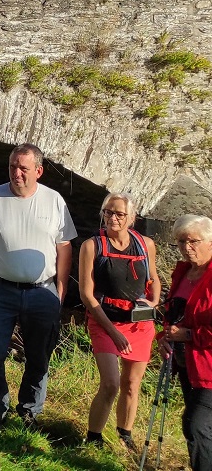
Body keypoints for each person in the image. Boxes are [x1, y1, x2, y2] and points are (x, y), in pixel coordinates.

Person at [0, 143, 76, 429]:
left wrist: (61, 289)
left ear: (38, 171)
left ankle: (29, 410)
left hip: (42, 291)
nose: (16, 173)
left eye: (23, 168)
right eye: (13, 167)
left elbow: (64, 247)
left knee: (39, 356)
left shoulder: (54, 202)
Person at [78, 192, 159, 449]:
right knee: (111, 383)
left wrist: (153, 302)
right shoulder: (92, 246)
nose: (113, 218)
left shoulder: (145, 244)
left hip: (139, 323)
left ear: (131, 218)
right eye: (108, 212)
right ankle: (93, 438)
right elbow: (86, 295)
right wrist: (113, 332)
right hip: (104, 321)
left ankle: (125, 435)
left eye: (119, 214)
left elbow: (153, 278)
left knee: (132, 384)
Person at [161, 214, 212, 471]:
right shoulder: (183, 272)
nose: (187, 247)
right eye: (181, 241)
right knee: (194, 426)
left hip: (209, 367)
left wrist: (189, 335)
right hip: (186, 364)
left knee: (197, 424)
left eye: (194, 241)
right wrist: (165, 337)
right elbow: (172, 313)